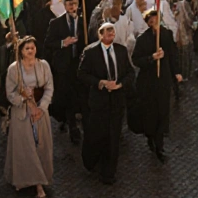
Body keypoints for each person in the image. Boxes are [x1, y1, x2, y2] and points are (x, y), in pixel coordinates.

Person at [77, 22, 135, 185]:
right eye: (107, 31)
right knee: (97, 134)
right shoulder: (90, 52)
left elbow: (130, 73)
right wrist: (100, 83)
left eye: (112, 30)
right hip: (99, 101)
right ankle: (91, 161)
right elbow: (82, 74)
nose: (111, 33)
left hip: (117, 100)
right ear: (100, 34)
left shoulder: (121, 51)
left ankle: (109, 172)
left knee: (113, 136)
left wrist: (121, 84)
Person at [3, 36, 55, 198]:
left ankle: (42, 178)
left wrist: (41, 107)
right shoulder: (14, 69)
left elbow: (49, 87)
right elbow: (10, 93)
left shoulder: (43, 65)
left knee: (41, 146)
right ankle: (30, 182)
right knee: (26, 148)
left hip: (40, 113)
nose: (31, 51)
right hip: (22, 114)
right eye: (27, 48)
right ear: (21, 51)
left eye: (33, 47)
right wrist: (24, 99)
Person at [130, 9, 182, 162]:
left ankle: (160, 143)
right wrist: (152, 58)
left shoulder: (166, 35)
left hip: (163, 80)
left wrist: (176, 72)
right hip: (148, 82)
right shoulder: (143, 39)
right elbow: (136, 60)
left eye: (156, 19)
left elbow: (173, 54)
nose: (154, 22)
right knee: (150, 112)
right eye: (151, 20)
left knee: (163, 111)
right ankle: (151, 136)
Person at [44, 0, 86, 144]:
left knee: (77, 93)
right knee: (66, 94)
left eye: (75, 4)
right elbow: (48, 43)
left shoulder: (83, 22)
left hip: (79, 64)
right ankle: (71, 125)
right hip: (64, 65)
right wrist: (63, 43)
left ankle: (73, 118)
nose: (73, 7)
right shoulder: (56, 23)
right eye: (69, 5)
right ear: (65, 6)